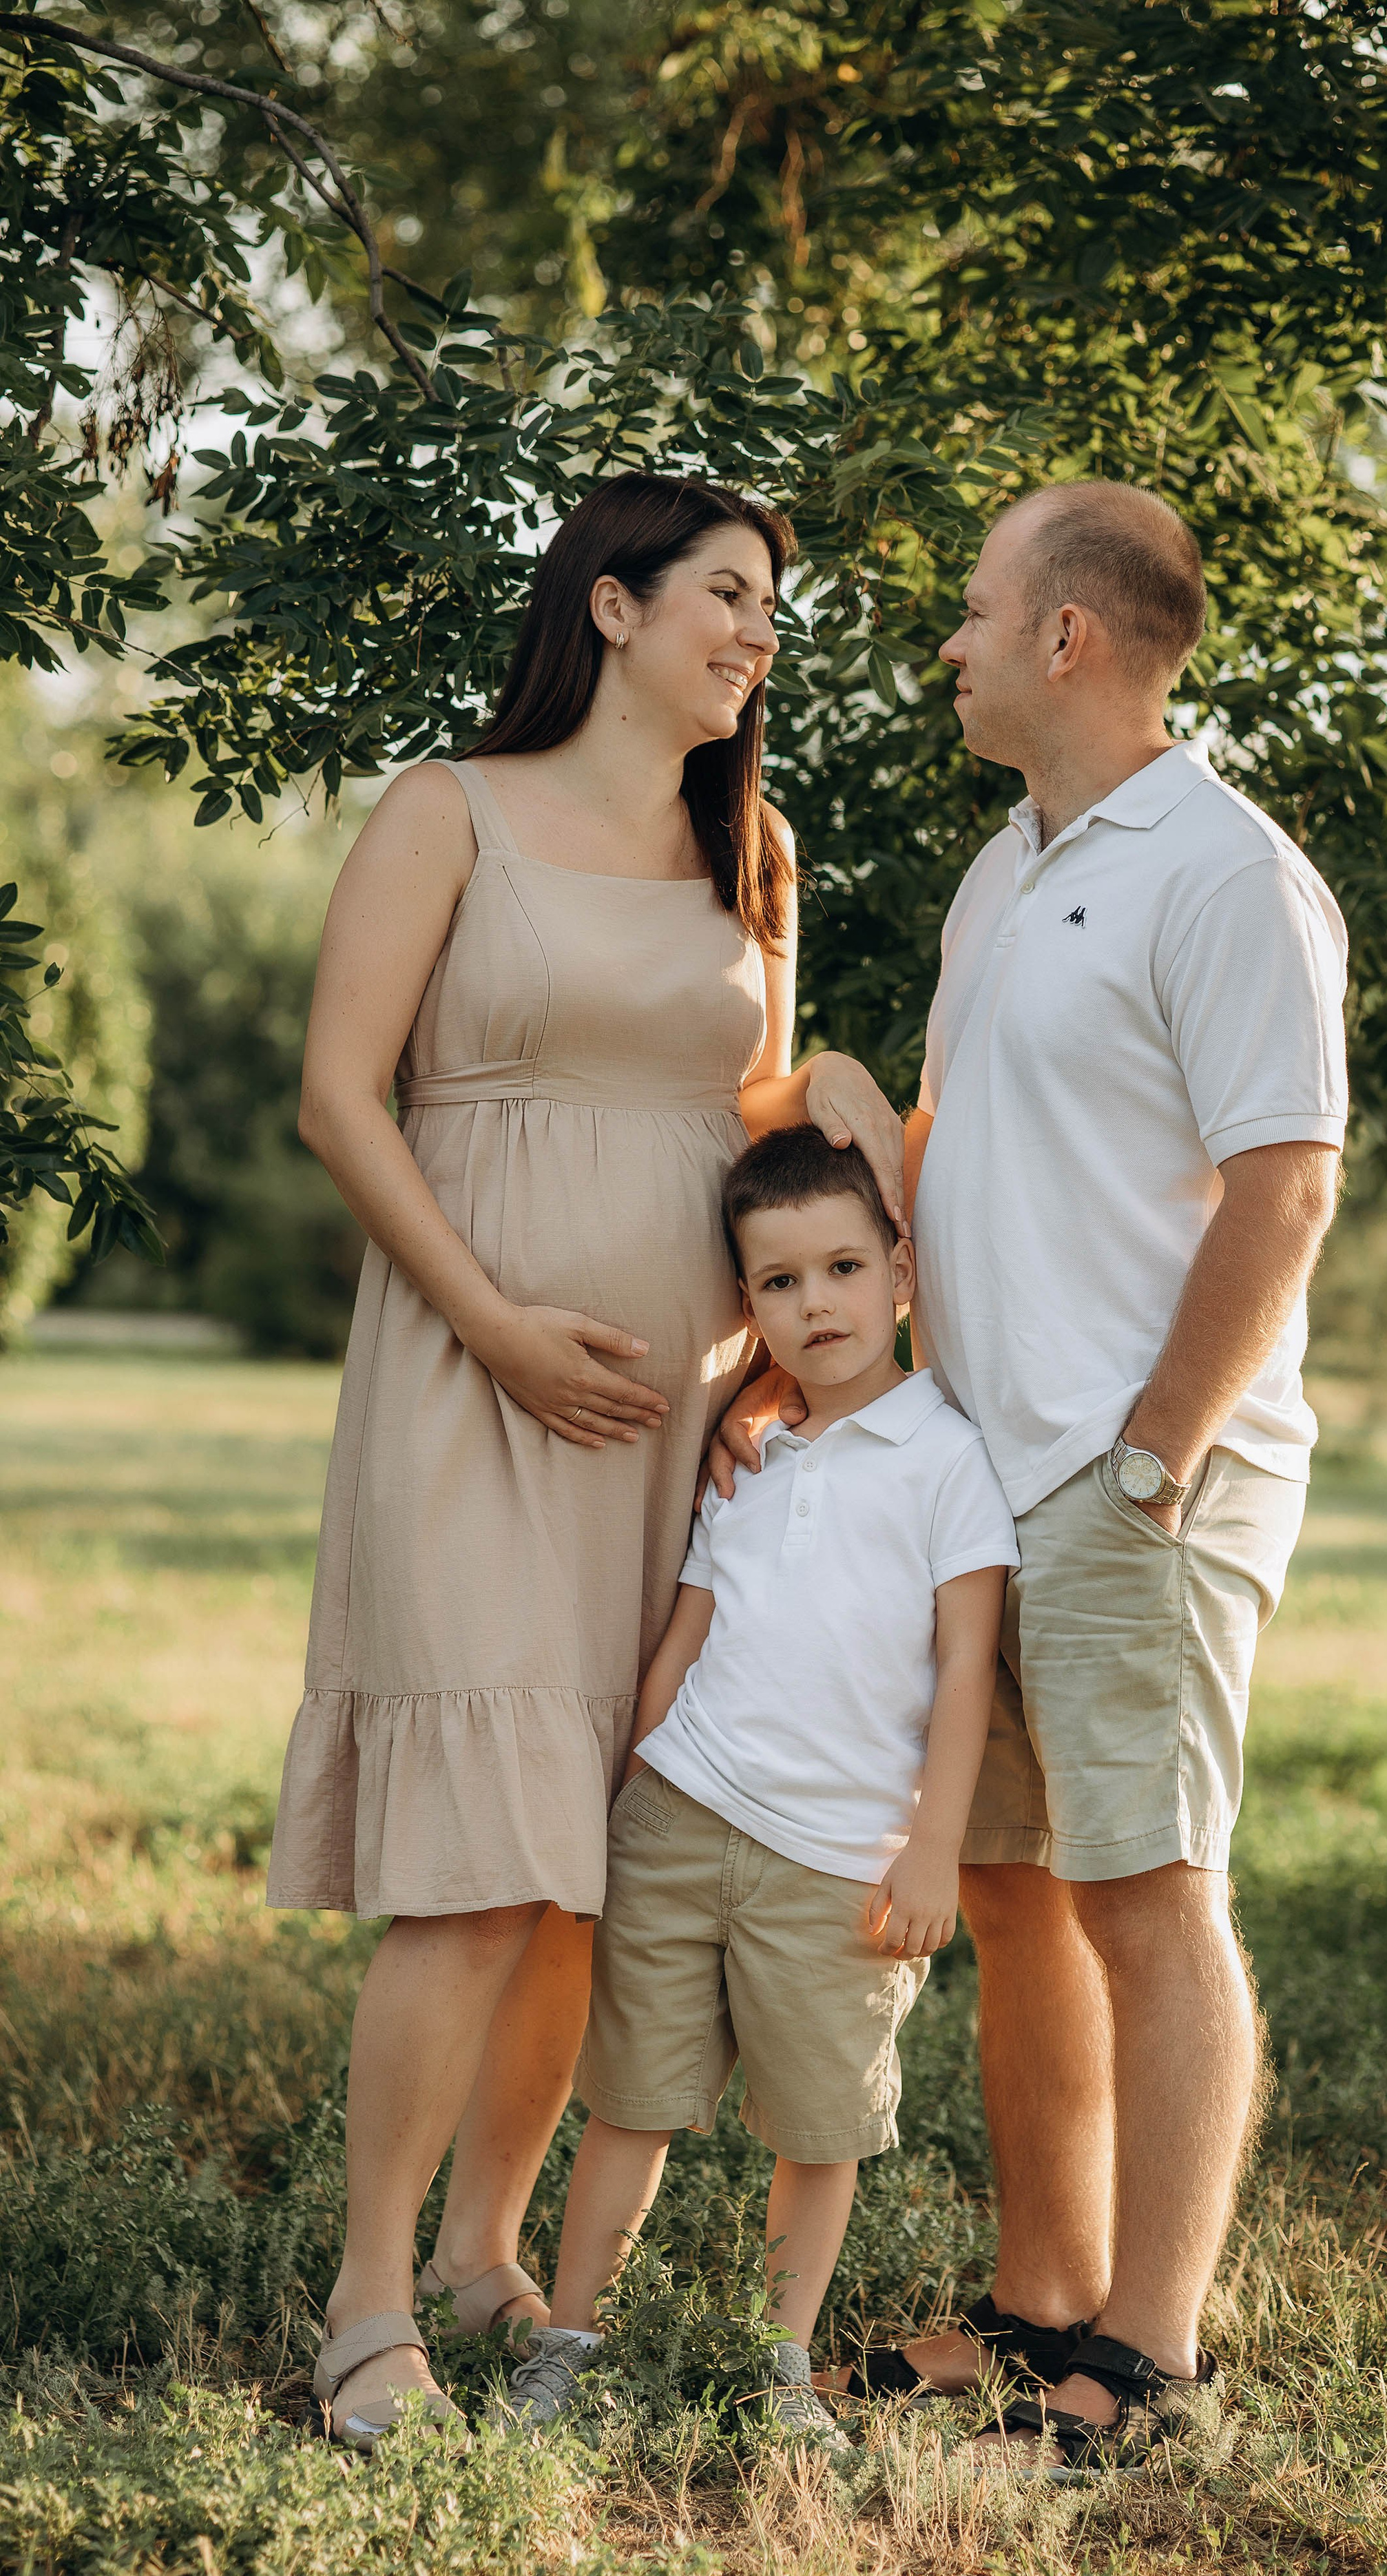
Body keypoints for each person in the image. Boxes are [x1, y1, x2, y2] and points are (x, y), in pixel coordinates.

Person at [266, 474, 907, 2452]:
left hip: (672, 1422)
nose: (755, 634)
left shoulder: (759, 848)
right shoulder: (445, 811)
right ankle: (369, 2302)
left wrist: (786, 1331)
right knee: (472, 1869)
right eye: (726, 594)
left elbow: (760, 1126)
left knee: (586, 1872)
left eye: (769, 612)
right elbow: (336, 1097)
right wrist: (498, 1323)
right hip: (472, 1384)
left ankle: (487, 2251)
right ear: (612, 608)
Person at [716, 481, 1348, 2473]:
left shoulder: (1227, 874)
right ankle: (1043, 2295)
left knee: (1154, 1888)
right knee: (1013, 1888)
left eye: (978, 612)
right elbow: (961, 1161)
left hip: (1134, 1473)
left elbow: (1288, 1183)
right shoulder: (1013, 866)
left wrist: (1160, 1449)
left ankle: (1147, 2362)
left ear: (1068, 636)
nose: (953, 644)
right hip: (991, 1472)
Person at [497, 1123, 1018, 2440]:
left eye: (843, 1266)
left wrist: (932, 1849)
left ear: (901, 1270)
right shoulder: (748, 1452)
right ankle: (568, 2345)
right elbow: (683, 1637)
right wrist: (618, 1792)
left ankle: (779, 2367)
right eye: (778, 1282)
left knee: (819, 2124)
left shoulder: (950, 1460)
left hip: (840, 1859)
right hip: (678, 1813)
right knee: (632, 2099)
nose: (815, 1302)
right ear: (750, 1303)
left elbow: (967, 1672)